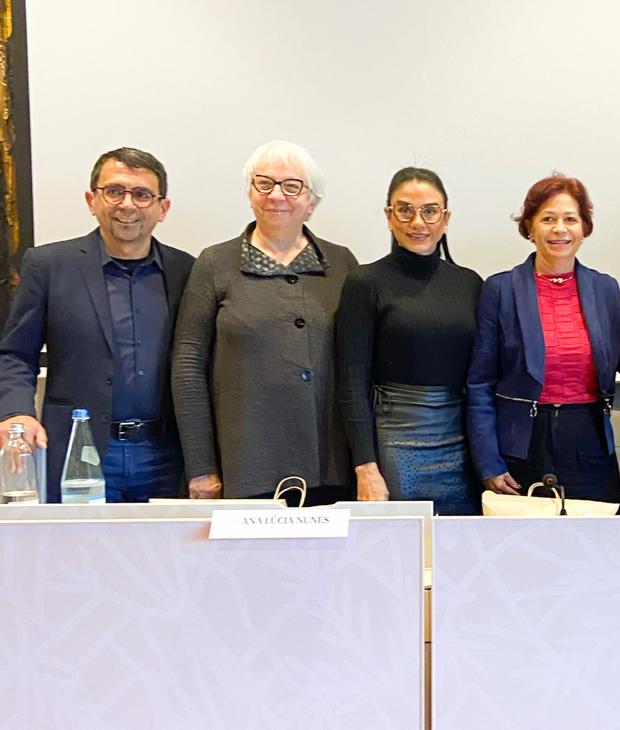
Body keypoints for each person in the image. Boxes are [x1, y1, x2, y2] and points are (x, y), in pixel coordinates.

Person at [0, 147, 194, 502]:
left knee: (164, 557)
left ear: (161, 208)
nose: (127, 205)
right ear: (92, 200)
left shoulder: (188, 271)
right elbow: (15, 353)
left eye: (142, 194)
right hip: (79, 452)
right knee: (75, 556)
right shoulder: (48, 266)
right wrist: (16, 414)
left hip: (166, 456)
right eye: (114, 191)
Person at [172, 141, 358, 505]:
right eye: (265, 184)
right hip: (244, 463)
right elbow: (187, 367)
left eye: (292, 186)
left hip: (332, 463)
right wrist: (201, 466)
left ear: (312, 202)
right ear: (250, 193)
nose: (277, 196)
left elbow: (359, 366)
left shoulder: (342, 264)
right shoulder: (214, 263)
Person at [467, 174, 620, 509]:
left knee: (594, 548)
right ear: (529, 227)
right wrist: (488, 463)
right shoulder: (500, 290)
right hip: (520, 446)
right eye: (548, 219)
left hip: (589, 443)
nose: (560, 229)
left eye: (570, 219)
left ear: (585, 228)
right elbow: (480, 383)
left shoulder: (606, 290)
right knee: (523, 551)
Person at [335, 168, 483, 513]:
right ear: (389, 216)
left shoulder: (470, 284)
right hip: (395, 439)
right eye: (405, 210)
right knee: (399, 554)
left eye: (430, 211)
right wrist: (365, 466)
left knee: (460, 552)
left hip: (461, 443)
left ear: (445, 218)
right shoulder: (364, 283)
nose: (418, 222)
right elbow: (351, 380)